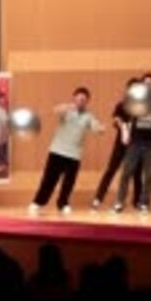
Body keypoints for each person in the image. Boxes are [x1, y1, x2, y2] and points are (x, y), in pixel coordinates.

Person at [28, 87, 104, 217]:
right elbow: (55, 110)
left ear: (87, 102)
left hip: (74, 155)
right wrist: (69, 107)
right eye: (79, 99)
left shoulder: (88, 116)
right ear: (74, 98)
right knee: (49, 179)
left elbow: (97, 127)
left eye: (84, 100)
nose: (81, 101)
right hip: (57, 151)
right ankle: (38, 202)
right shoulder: (67, 111)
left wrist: (100, 128)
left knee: (69, 182)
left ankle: (63, 204)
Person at [112, 72, 151, 215]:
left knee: (149, 176)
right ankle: (119, 202)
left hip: (150, 144)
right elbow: (128, 119)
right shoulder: (135, 100)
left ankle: (144, 203)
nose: (148, 85)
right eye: (146, 83)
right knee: (126, 173)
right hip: (135, 142)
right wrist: (125, 132)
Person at [91, 77, 143, 211]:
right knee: (111, 169)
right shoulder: (121, 105)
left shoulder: (143, 106)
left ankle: (137, 201)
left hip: (136, 144)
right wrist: (122, 125)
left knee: (137, 172)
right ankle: (98, 198)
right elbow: (115, 119)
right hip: (121, 143)